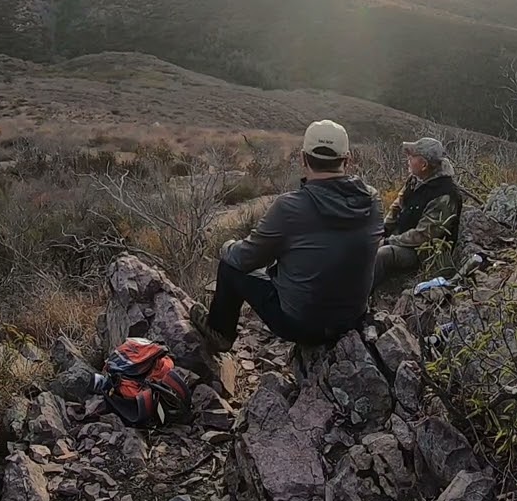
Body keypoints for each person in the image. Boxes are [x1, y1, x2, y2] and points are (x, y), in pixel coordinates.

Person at [188, 119, 384, 352]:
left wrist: (227, 246)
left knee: (230, 267)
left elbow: (246, 259)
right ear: (348, 159)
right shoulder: (372, 200)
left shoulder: (290, 207)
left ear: (303, 158)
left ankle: (220, 333)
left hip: (302, 326)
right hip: (353, 319)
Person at [372, 137, 463, 291]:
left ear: (424, 165)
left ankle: (359, 297)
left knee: (381, 255)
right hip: (403, 238)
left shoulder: (444, 195)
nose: (408, 159)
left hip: (422, 253)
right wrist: (381, 232)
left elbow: (423, 236)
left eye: (412, 157)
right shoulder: (415, 180)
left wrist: (388, 242)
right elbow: (397, 207)